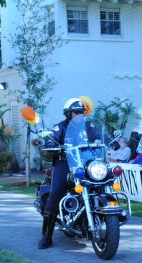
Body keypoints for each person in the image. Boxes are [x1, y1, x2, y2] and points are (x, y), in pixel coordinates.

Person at [39, 98, 98, 249]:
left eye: (81, 112)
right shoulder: (61, 127)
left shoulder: (88, 126)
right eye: (76, 112)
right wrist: (51, 143)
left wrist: (113, 141)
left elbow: (99, 135)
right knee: (57, 191)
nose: (79, 115)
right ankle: (47, 235)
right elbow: (51, 139)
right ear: (68, 114)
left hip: (86, 162)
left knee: (101, 183)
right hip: (65, 163)